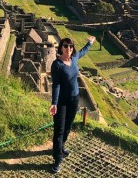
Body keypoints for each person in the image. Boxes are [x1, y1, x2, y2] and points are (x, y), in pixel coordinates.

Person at [49, 35, 96, 173]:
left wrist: (90, 42)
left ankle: (61, 147)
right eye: (65, 46)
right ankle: (57, 159)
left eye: (70, 46)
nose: (68, 48)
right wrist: (54, 103)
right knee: (59, 130)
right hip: (62, 102)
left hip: (74, 99)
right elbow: (56, 85)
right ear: (61, 48)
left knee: (68, 126)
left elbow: (83, 51)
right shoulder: (57, 65)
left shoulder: (74, 58)